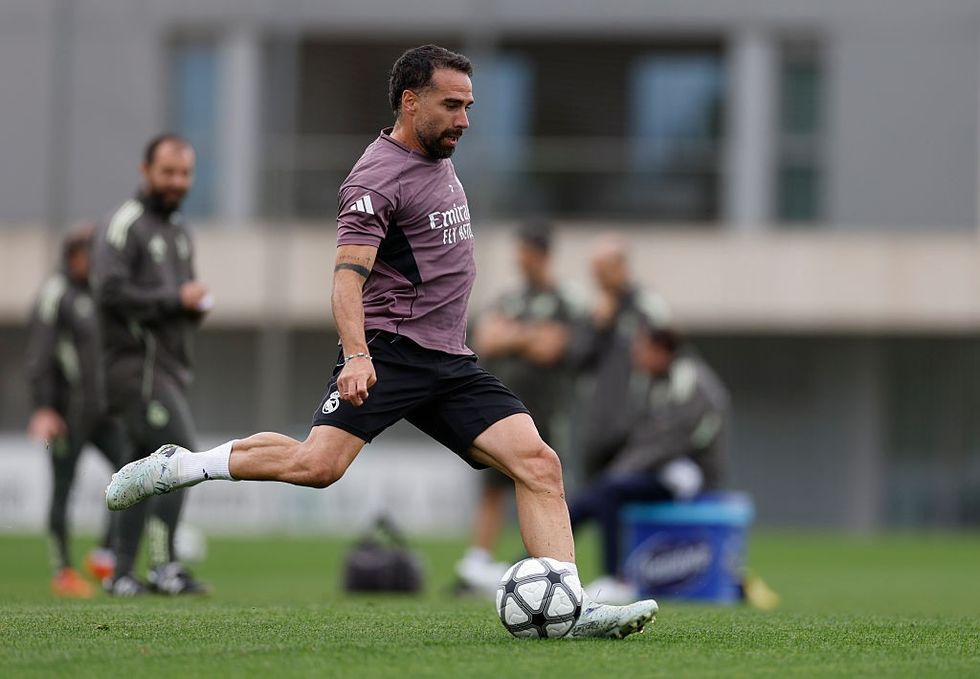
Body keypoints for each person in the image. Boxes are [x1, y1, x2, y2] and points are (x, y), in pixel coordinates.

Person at [105, 44, 657, 638]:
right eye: (452, 106)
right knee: (318, 466)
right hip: (391, 351)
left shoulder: (436, 152)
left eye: (469, 107)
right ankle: (185, 465)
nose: (464, 120)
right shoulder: (374, 179)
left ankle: (571, 607)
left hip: (450, 360)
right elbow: (347, 279)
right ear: (410, 102)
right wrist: (357, 355)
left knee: (539, 463)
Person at [90, 134, 211, 596]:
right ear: (145, 171)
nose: (178, 181)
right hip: (135, 370)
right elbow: (108, 291)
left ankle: (120, 574)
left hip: (168, 370)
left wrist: (193, 307)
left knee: (139, 472)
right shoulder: (125, 224)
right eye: (168, 172)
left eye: (185, 173)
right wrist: (175, 299)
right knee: (180, 454)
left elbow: (175, 305)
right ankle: (164, 567)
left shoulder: (179, 230)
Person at [454, 222, 579, 595]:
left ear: (542, 254)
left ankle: (548, 568)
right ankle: (476, 564)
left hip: (546, 410)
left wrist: (511, 334)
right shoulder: (509, 298)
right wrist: (528, 335)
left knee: (540, 480)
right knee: (492, 484)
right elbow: (486, 339)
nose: (520, 258)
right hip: (503, 406)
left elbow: (552, 347)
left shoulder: (565, 300)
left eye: (525, 251)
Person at [568, 325, 730, 604]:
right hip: (660, 467)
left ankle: (616, 578)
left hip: (688, 472)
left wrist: (622, 470)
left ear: (660, 351)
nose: (636, 355)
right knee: (589, 499)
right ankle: (532, 565)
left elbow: (673, 442)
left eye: (641, 349)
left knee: (609, 490)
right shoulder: (656, 380)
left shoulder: (690, 381)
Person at [25, 222, 129, 597]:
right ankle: (63, 571)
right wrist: (43, 408)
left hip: (104, 412)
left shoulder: (101, 295)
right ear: (73, 257)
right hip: (67, 415)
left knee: (133, 470)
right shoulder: (57, 294)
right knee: (63, 488)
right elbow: (39, 356)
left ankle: (104, 554)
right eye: (90, 254)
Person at [568, 234, 672, 481]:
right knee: (594, 495)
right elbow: (575, 360)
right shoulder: (595, 312)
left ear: (621, 266)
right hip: (597, 428)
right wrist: (598, 326)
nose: (598, 279)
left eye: (603, 271)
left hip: (635, 428)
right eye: (595, 272)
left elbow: (666, 359)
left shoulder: (647, 307)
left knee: (628, 492)